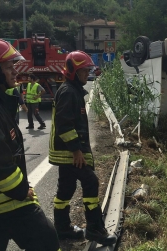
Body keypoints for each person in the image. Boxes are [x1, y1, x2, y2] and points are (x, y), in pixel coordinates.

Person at [0, 38, 60, 251]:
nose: (15, 72)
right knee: (47, 242)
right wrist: (21, 188)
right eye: (9, 67)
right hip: (5, 201)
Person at [49, 51, 117, 245]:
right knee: (91, 182)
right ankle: (94, 229)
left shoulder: (72, 90)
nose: (87, 74)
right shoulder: (69, 92)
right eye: (83, 71)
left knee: (66, 189)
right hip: (70, 154)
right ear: (72, 71)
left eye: (88, 70)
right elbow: (64, 125)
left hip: (67, 153)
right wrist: (76, 150)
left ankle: (62, 229)